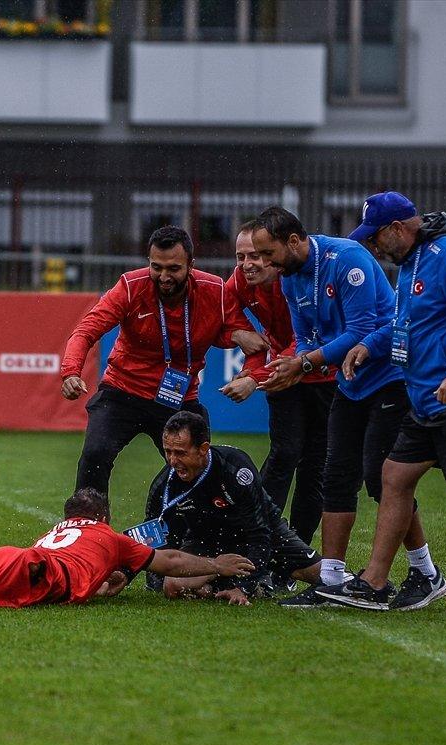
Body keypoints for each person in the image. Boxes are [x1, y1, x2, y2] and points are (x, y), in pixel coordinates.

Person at [330, 193, 446, 617]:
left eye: (376, 237)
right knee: (393, 476)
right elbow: (404, 324)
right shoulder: (411, 263)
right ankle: (374, 582)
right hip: (427, 399)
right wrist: (368, 345)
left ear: (398, 228)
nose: (373, 247)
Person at [249, 206, 444, 610]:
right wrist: (298, 363)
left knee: (380, 476)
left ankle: (424, 570)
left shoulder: (347, 258)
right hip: (350, 384)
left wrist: (304, 363)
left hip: (389, 377)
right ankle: (332, 579)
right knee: (334, 475)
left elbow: (360, 330)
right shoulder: (289, 279)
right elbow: (305, 336)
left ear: (293, 240)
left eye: (268, 254)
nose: (265, 264)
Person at [60, 225, 267, 496]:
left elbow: (254, 344)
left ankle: (194, 533)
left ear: (191, 265)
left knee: (197, 468)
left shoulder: (214, 291)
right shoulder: (130, 287)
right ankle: (86, 525)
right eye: (156, 267)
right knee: (95, 455)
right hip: (123, 391)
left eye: (173, 269)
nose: (164, 276)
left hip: (179, 399)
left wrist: (251, 376)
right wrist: (71, 371)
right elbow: (86, 330)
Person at [0, 487, 255, 608]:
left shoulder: (59, 532)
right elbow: (167, 559)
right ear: (103, 517)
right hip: (39, 571)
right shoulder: (110, 537)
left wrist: (97, 585)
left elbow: (75, 569)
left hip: (22, 559)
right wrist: (216, 564)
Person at [221, 220, 335, 545]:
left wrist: (253, 379)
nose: (247, 265)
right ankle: (259, 541)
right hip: (283, 374)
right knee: (284, 454)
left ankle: (296, 552)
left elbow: (304, 339)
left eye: (255, 256)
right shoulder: (239, 282)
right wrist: (238, 334)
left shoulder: (298, 280)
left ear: (274, 255)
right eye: (240, 257)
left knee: (315, 466)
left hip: (323, 373)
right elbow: (242, 330)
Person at [141, 412, 321, 606]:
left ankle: (264, 572)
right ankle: (231, 579)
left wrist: (242, 587)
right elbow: (151, 535)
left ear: (203, 449)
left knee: (328, 577)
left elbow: (260, 533)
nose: (172, 461)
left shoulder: (236, 470)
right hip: (208, 541)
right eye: (168, 451)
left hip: (262, 533)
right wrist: (125, 573)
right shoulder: (165, 483)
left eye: (181, 453)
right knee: (172, 586)